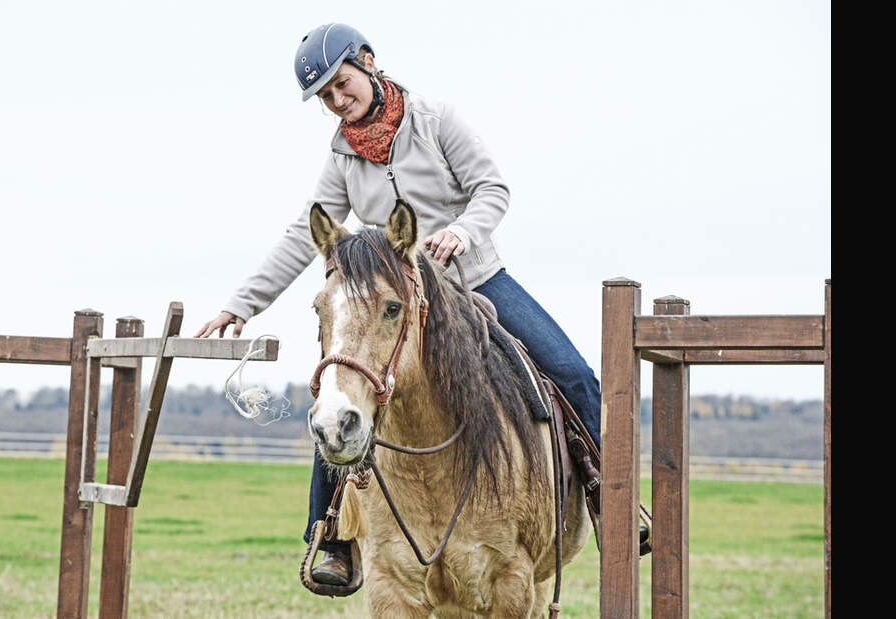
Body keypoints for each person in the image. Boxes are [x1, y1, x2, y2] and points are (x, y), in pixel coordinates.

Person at [194, 23, 603, 587]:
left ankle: (609, 500)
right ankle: (331, 539)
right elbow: (303, 235)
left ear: (367, 62)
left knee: (574, 374)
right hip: (396, 298)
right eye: (326, 96)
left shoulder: (436, 120)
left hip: (474, 280)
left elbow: (492, 189)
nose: (338, 100)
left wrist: (462, 231)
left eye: (342, 84)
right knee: (341, 391)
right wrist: (242, 305)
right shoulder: (342, 154)